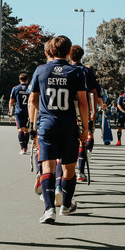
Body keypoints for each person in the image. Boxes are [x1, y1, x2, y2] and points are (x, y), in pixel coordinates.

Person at [28, 35, 89, 222]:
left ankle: (48, 210)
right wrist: (85, 128)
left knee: (48, 166)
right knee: (68, 168)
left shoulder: (41, 70)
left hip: (47, 124)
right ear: (69, 52)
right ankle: (66, 205)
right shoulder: (76, 72)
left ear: (51, 51)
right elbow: (83, 102)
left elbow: (32, 99)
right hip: (68, 124)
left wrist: (41, 115)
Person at [69, 44, 104, 181]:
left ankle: (69, 172)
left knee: (72, 140)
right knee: (86, 137)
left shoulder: (68, 70)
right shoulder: (87, 71)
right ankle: (81, 171)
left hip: (70, 110)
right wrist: (94, 110)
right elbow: (94, 92)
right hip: (86, 109)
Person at [9, 73, 31, 154]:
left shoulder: (15, 88)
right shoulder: (30, 88)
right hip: (28, 111)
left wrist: (10, 111)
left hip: (19, 111)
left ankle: (23, 148)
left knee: (20, 130)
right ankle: (26, 147)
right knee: (27, 130)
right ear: (27, 79)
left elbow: (11, 101)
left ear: (19, 80)